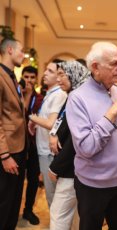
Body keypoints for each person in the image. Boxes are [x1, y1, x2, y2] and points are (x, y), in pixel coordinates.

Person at [66, 41, 117, 230]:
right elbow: (86, 148)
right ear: (95, 67)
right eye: (114, 64)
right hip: (93, 186)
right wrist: (111, 114)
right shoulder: (77, 98)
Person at [48, 60, 90, 230]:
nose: (58, 80)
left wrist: (55, 167)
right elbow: (61, 122)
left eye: (62, 75)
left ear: (74, 75)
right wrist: (54, 134)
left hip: (70, 169)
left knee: (59, 215)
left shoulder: (79, 99)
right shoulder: (73, 95)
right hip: (72, 168)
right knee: (75, 217)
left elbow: (75, 141)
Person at [28, 59, 67, 208]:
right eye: (46, 70)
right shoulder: (51, 93)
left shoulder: (59, 95)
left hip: (49, 153)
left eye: (50, 71)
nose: (44, 73)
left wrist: (32, 118)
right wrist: (36, 123)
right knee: (52, 196)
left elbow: (51, 123)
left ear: (59, 76)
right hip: (44, 150)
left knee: (53, 199)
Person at [0, 38, 27, 230]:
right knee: (4, 202)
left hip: (19, 146)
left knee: (14, 201)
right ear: (9, 50)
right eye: (21, 51)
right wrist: (4, 154)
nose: (24, 55)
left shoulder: (12, 76)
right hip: (7, 150)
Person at [20, 66, 43, 225]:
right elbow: (20, 117)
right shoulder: (16, 94)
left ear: (36, 79)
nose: (29, 80)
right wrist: (25, 95)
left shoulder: (41, 98)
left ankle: (28, 210)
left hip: (34, 145)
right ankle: (13, 209)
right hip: (17, 145)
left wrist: (29, 95)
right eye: (26, 77)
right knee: (15, 180)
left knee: (33, 180)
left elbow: (31, 116)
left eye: (32, 77)